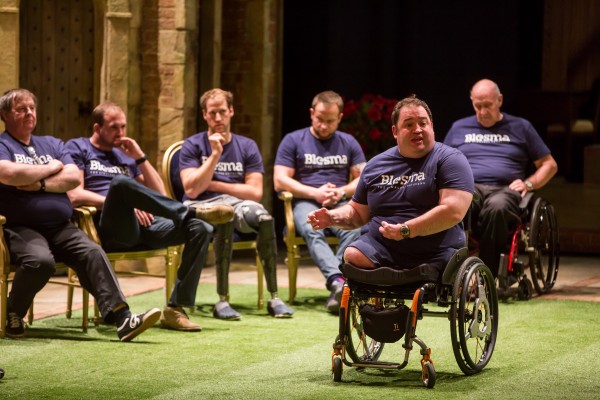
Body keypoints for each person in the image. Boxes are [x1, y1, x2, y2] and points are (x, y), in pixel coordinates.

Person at [0, 88, 160, 341]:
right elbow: (7, 174)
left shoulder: (52, 143)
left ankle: (123, 318)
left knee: (93, 252)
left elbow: (73, 178)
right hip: (21, 226)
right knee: (40, 262)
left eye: (32, 107)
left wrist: (37, 183)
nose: (29, 112)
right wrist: (51, 168)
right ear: (5, 115)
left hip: (61, 225)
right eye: (21, 109)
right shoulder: (3, 145)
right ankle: (12, 312)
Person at [65, 102, 235, 331]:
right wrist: (126, 203)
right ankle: (190, 210)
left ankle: (175, 309)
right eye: (114, 127)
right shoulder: (78, 147)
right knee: (120, 184)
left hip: (145, 225)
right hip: (108, 227)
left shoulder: (124, 155)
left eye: (124, 127)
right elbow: (75, 195)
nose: (121, 133)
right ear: (97, 127)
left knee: (201, 229)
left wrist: (140, 157)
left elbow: (159, 194)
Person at [307, 96, 474, 276]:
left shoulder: (450, 160)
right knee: (353, 254)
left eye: (423, 123)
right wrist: (332, 217)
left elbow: (453, 211)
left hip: (436, 251)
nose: (417, 129)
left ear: (431, 126)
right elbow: (357, 213)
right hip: (384, 249)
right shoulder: (375, 166)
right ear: (395, 131)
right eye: (409, 125)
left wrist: (407, 230)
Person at [179, 88, 294, 320]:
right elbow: (191, 189)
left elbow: (254, 192)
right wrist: (215, 154)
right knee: (225, 216)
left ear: (231, 111)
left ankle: (274, 296)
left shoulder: (247, 146)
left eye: (222, 112)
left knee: (264, 218)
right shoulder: (193, 145)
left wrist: (213, 182)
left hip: (240, 204)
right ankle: (222, 300)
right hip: (202, 207)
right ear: (204, 115)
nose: (218, 118)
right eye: (212, 113)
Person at [444, 79, 558, 276]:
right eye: (477, 106)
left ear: (500, 100)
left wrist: (529, 183)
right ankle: (450, 270)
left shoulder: (521, 127)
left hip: (505, 189)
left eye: (487, 105)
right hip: (471, 187)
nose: (482, 112)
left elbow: (549, 165)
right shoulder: (458, 128)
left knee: (497, 208)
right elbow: (442, 162)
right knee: (454, 203)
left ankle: (487, 274)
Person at [274, 90, 366, 313]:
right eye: (319, 119)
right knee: (312, 227)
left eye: (330, 121)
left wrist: (342, 192)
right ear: (311, 113)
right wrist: (314, 193)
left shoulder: (348, 142)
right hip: (307, 200)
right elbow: (279, 180)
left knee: (354, 229)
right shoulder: (294, 140)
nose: (324, 125)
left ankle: (337, 284)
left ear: (340, 118)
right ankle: (338, 282)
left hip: (338, 200)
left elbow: (364, 177)